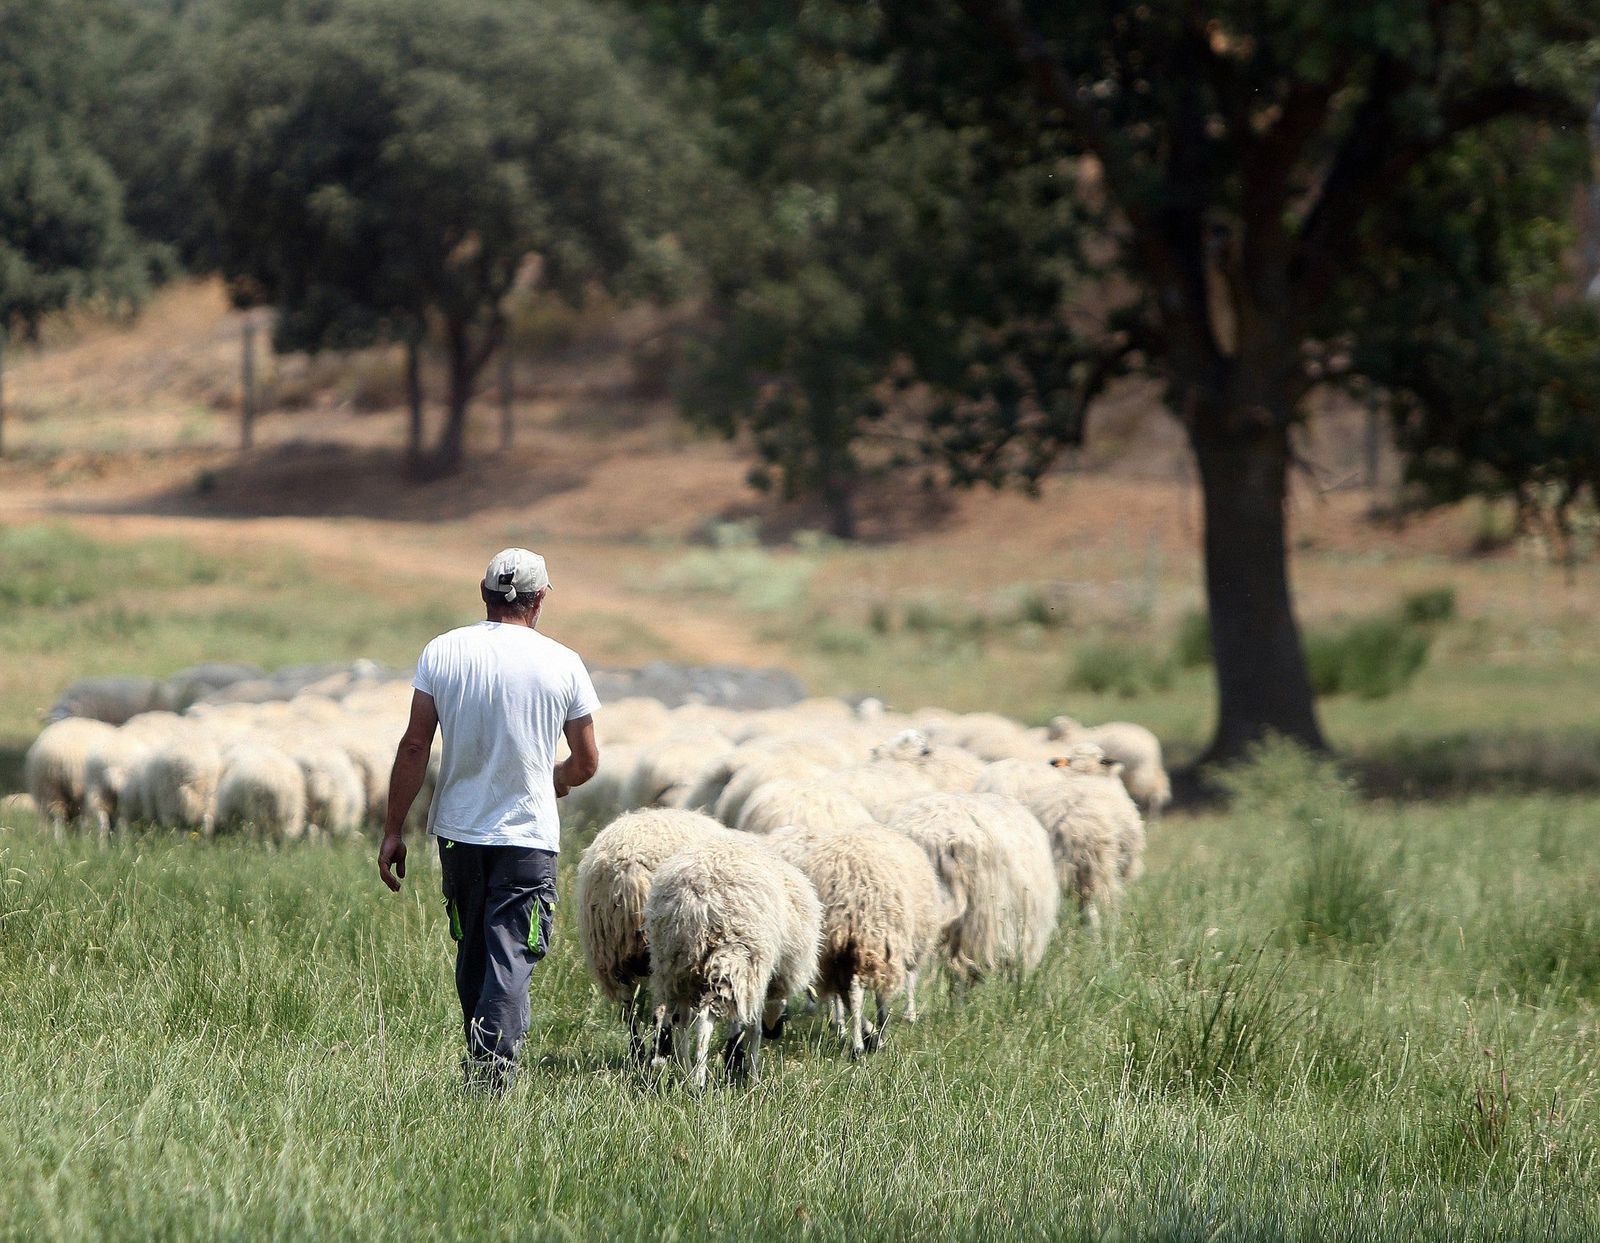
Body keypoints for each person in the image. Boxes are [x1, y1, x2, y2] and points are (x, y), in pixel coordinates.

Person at [378, 548, 600, 1094]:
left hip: (459, 833)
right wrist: (555, 779)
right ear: (540, 599)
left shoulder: (443, 651)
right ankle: (491, 1075)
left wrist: (392, 830)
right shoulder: (563, 662)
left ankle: (481, 1062)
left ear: (483, 593)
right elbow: (587, 761)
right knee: (512, 953)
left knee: (475, 949)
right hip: (527, 835)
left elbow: (414, 746)